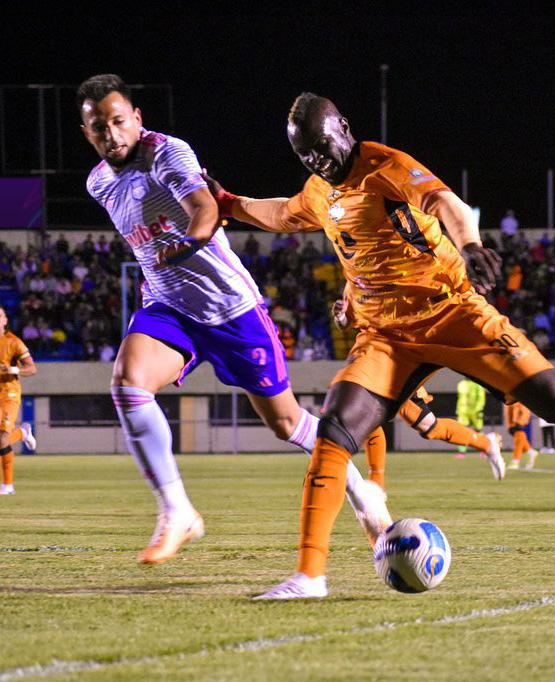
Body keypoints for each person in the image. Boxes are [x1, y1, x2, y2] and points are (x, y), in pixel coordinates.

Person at [212, 92, 555, 599]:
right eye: (305, 154)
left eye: (321, 145)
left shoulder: (385, 166)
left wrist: (470, 245)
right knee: (334, 430)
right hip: (385, 335)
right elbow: (282, 213)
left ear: (344, 128)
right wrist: (228, 203)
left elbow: (447, 203)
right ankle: (309, 576)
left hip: (451, 313)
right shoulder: (319, 190)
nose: (317, 159)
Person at [77, 75, 389, 565]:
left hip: (230, 308)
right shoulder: (98, 183)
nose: (111, 134)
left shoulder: (167, 153)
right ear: (87, 132)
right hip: (169, 307)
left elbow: (204, 209)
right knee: (128, 385)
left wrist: (189, 243)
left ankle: (363, 494)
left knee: (286, 423)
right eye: (99, 127)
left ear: (136, 118)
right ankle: (177, 511)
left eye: (119, 121)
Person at [332, 293, 505, 482]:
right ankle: (486, 443)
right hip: (376, 356)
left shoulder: (403, 283)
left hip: (401, 357)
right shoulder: (358, 283)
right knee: (424, 426)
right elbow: (346, 322)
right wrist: (340, 316)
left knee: (421, 425)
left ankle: (376, 485)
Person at [0, 307, 37, 495]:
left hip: (9, 394)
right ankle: (22, 433)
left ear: (5, 320)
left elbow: (32, 368)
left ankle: (8, 486)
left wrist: (14, 370)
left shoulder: (13, 342)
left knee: (2, 438)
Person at [456, 378, 486, 453]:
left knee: (478, 430)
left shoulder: (478, 384)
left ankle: (483, 450)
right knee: (461, 431)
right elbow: (460, 399)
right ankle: (462, 452)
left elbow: (481, 398)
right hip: (463, 412)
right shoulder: (461, 384)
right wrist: (458, 410)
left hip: (476, 411)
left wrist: (479, 409)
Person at [504, 402, 537, 470]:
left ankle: (516, 460)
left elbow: (524, 405)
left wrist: (521, 420)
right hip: (511, 406)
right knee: (517, 434)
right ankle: (530, 451)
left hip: (519, 412)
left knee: (518, 434)